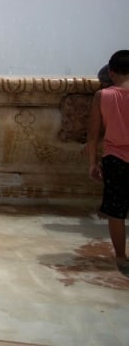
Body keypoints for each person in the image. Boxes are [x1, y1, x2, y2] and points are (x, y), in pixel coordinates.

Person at [86, 49, 129, 276]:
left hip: (115, 159)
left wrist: (93, 163)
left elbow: (93, 135)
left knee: (116, 212)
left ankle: (121, 257)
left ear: (111, 72)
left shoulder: (103, 96)